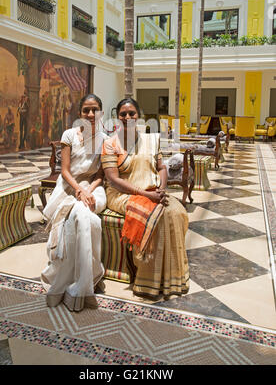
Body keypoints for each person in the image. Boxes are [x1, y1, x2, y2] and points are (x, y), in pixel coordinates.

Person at [101, 98, 189, 299]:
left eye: (132, 113)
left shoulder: (150, 140)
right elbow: (113, 179)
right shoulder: (109, 144)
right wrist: (146, 195)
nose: (128, 117)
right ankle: (150, 280)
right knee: (156, 216)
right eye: (123, 114)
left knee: (176, 212)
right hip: (121, 194)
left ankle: (172, 276)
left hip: (152, 190)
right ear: (117, 117)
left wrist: (162, 189)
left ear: (138, 116)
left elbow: (161, 168)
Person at [41, 93, 107, 312]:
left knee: (84, 214)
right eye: (86, 110)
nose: (90, 114)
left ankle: (80, 283)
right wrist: (79, 190)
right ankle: (87, 280)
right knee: (86, 219)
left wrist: (89, 189)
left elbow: (101, 173)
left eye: (94, 109)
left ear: (101, 112)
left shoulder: (105, 139)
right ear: (79, 113)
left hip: (93, 189)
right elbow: (66, 170)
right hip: (69, 187)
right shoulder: (69, 134)